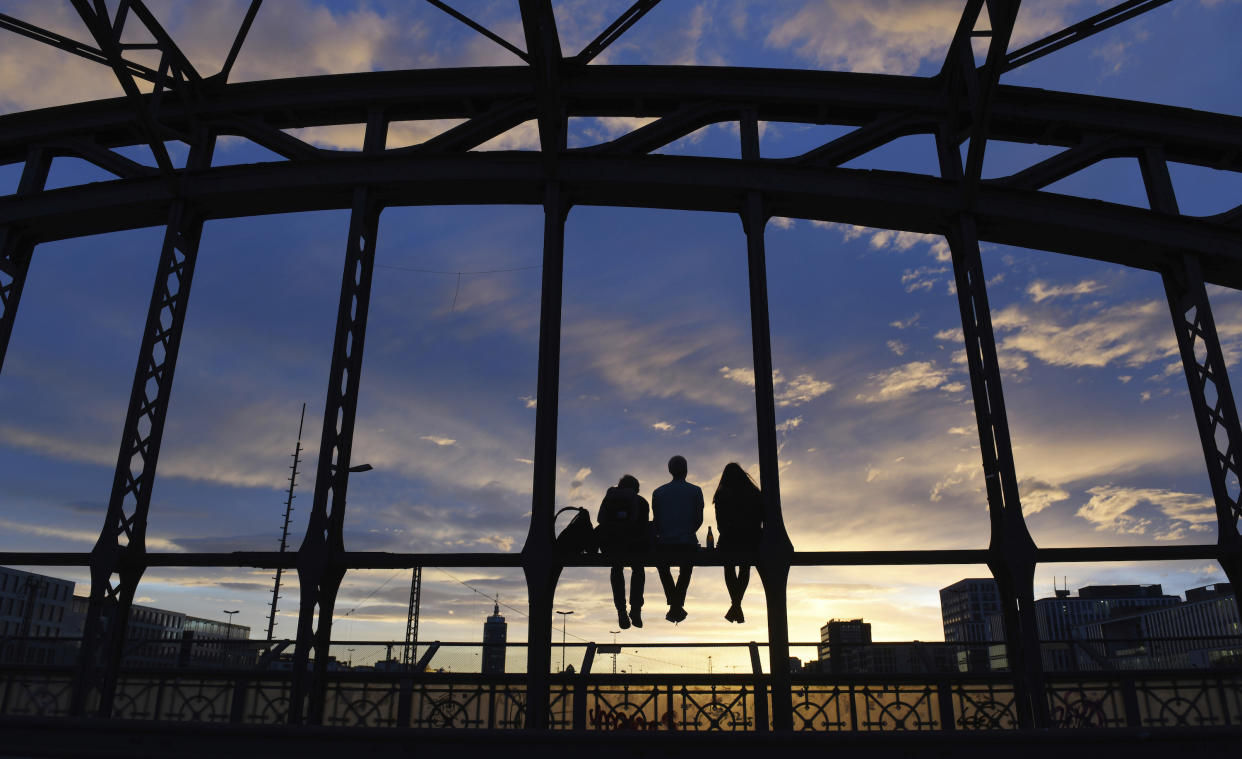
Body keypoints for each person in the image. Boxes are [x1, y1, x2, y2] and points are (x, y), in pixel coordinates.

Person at [651, 455, 703, 623]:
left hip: (664, 543)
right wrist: (687, 531)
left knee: (663, 568)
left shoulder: (658, 492)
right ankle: (676, 604)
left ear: (669, 470)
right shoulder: (695, 491)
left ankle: (674, 604)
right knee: (686, 570)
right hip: (687, 542)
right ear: (686, 470)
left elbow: (656, 520)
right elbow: (698, 519)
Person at [596, 475, 649, 630]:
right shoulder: (641, 502)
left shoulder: (609, 498)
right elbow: (644, 527)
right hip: (635, 547)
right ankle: (636, 609)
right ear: (636, 489)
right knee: (638, 569)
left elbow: (600, 520)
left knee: (616, 569)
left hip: (611, 548)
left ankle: (621, 611)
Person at [713, 463, 764, 623]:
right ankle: (736, 605)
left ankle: (735, 605)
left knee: (729, 567)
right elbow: (760, 518)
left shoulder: (722, 494)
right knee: (745, 568)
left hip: (729, 540)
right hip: (751, 540)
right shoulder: (754, 493)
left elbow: (720, 524)